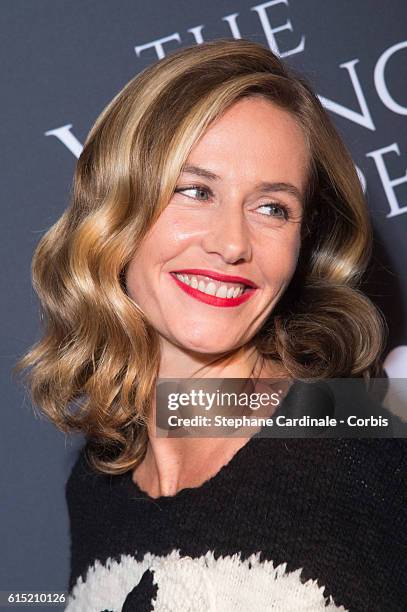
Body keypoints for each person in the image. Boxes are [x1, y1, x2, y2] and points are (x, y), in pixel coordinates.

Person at [14, 38, 406, 611]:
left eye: (272, 207)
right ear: (116, 206)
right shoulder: (100, 479)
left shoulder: (364, 445)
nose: (231, 244)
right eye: (195, 191)